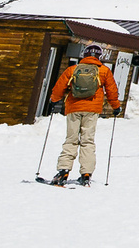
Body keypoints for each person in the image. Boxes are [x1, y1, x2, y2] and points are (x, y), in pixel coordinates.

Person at [47, 48, 119, 183]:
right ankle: (86, 174)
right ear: (99, 56)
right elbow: (111, 91)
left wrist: (54, 100)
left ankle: (63, 171)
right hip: (92, 110)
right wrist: (116, 107)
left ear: (84, 55)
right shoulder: (104, 71)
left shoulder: (73, 69)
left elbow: (59, 87)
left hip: (73, 108)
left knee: (71, 139)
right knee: (88, 141)